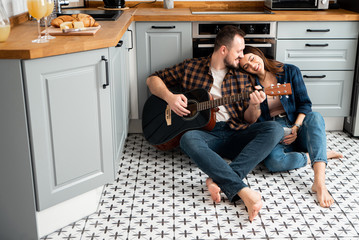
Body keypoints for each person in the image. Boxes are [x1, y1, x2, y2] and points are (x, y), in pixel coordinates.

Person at [146, 25, 284, 222]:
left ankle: (220, 179)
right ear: (224, 50)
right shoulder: (190, 67)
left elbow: (250, 119)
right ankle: (242, 190)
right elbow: (152, 79)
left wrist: (255, 105)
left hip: (235, 132)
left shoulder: (243, 76)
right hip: (205, 135)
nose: (242, 56)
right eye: (239, 51)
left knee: (275, 129)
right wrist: (170, 98)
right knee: (187, 139)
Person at [237, 46, 343, 208]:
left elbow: (305, 104)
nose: (252, 65)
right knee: (273, 163)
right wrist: (254, 105)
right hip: (274, 129)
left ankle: (319, 183)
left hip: (297, 123)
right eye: (246, 66)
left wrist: (296, 127)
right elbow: (251, 121)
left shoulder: (290, 71)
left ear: (258, 54)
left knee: (315, 117)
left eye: (252, 58)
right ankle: (317, 155)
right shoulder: (248, 85)